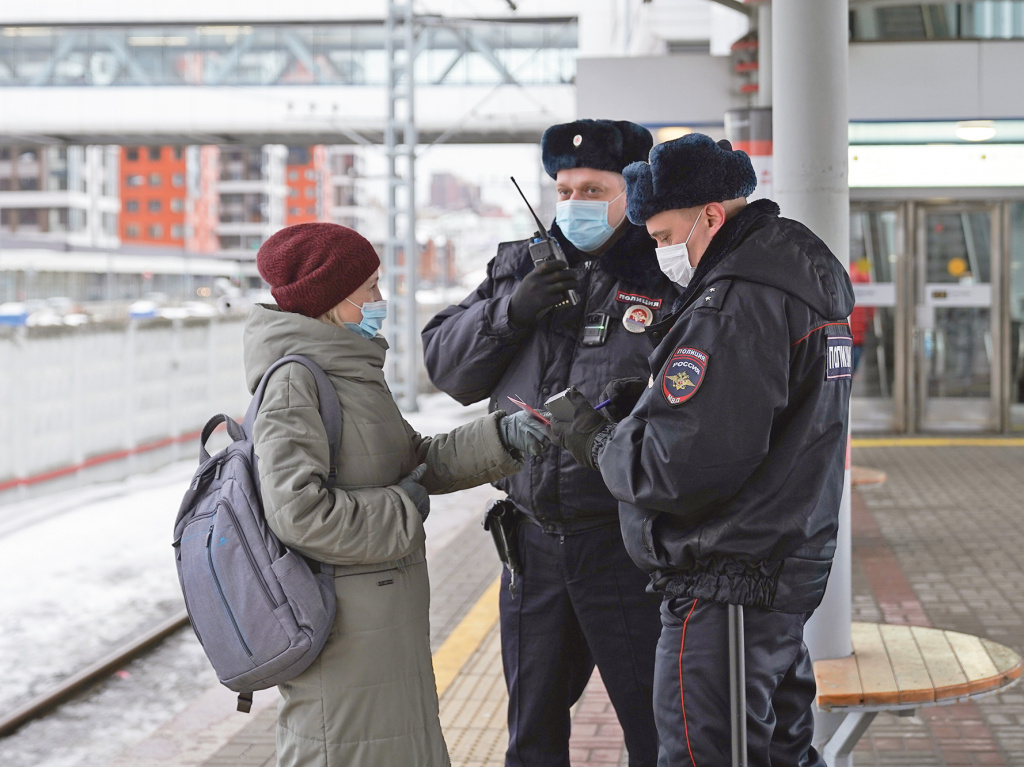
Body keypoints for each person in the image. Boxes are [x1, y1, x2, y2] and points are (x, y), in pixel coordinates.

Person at [546, 133, 855, 767]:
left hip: (727, 584)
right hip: (771, 568)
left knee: (705, 755)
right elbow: (744, 418)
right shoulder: (790, 275)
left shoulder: (735, 302)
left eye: (663, 237)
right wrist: (650, 399)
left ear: (710, 215)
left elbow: (677, 468)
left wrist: (599, 438)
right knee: (779, 753)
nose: (660, 253)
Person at [422, 119, 679, 767]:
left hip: (625, 541)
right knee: (531, 732)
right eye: (564, 189)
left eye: (594, 188)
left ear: (633, 190)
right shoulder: (519, 270)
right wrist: (510, 313)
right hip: (531, 543)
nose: (575, 203)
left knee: (656, 728)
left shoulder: (664, 273)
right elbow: (447, 369)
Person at [245, 222, 548, 767]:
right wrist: (405, 505)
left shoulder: (349, 375)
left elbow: (414, 461)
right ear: (336, 303)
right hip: (343, 630)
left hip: (379, 620)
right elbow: (300, 513)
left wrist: (501, 435)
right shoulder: (297, 383)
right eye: (370, 290)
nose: (381, 301)